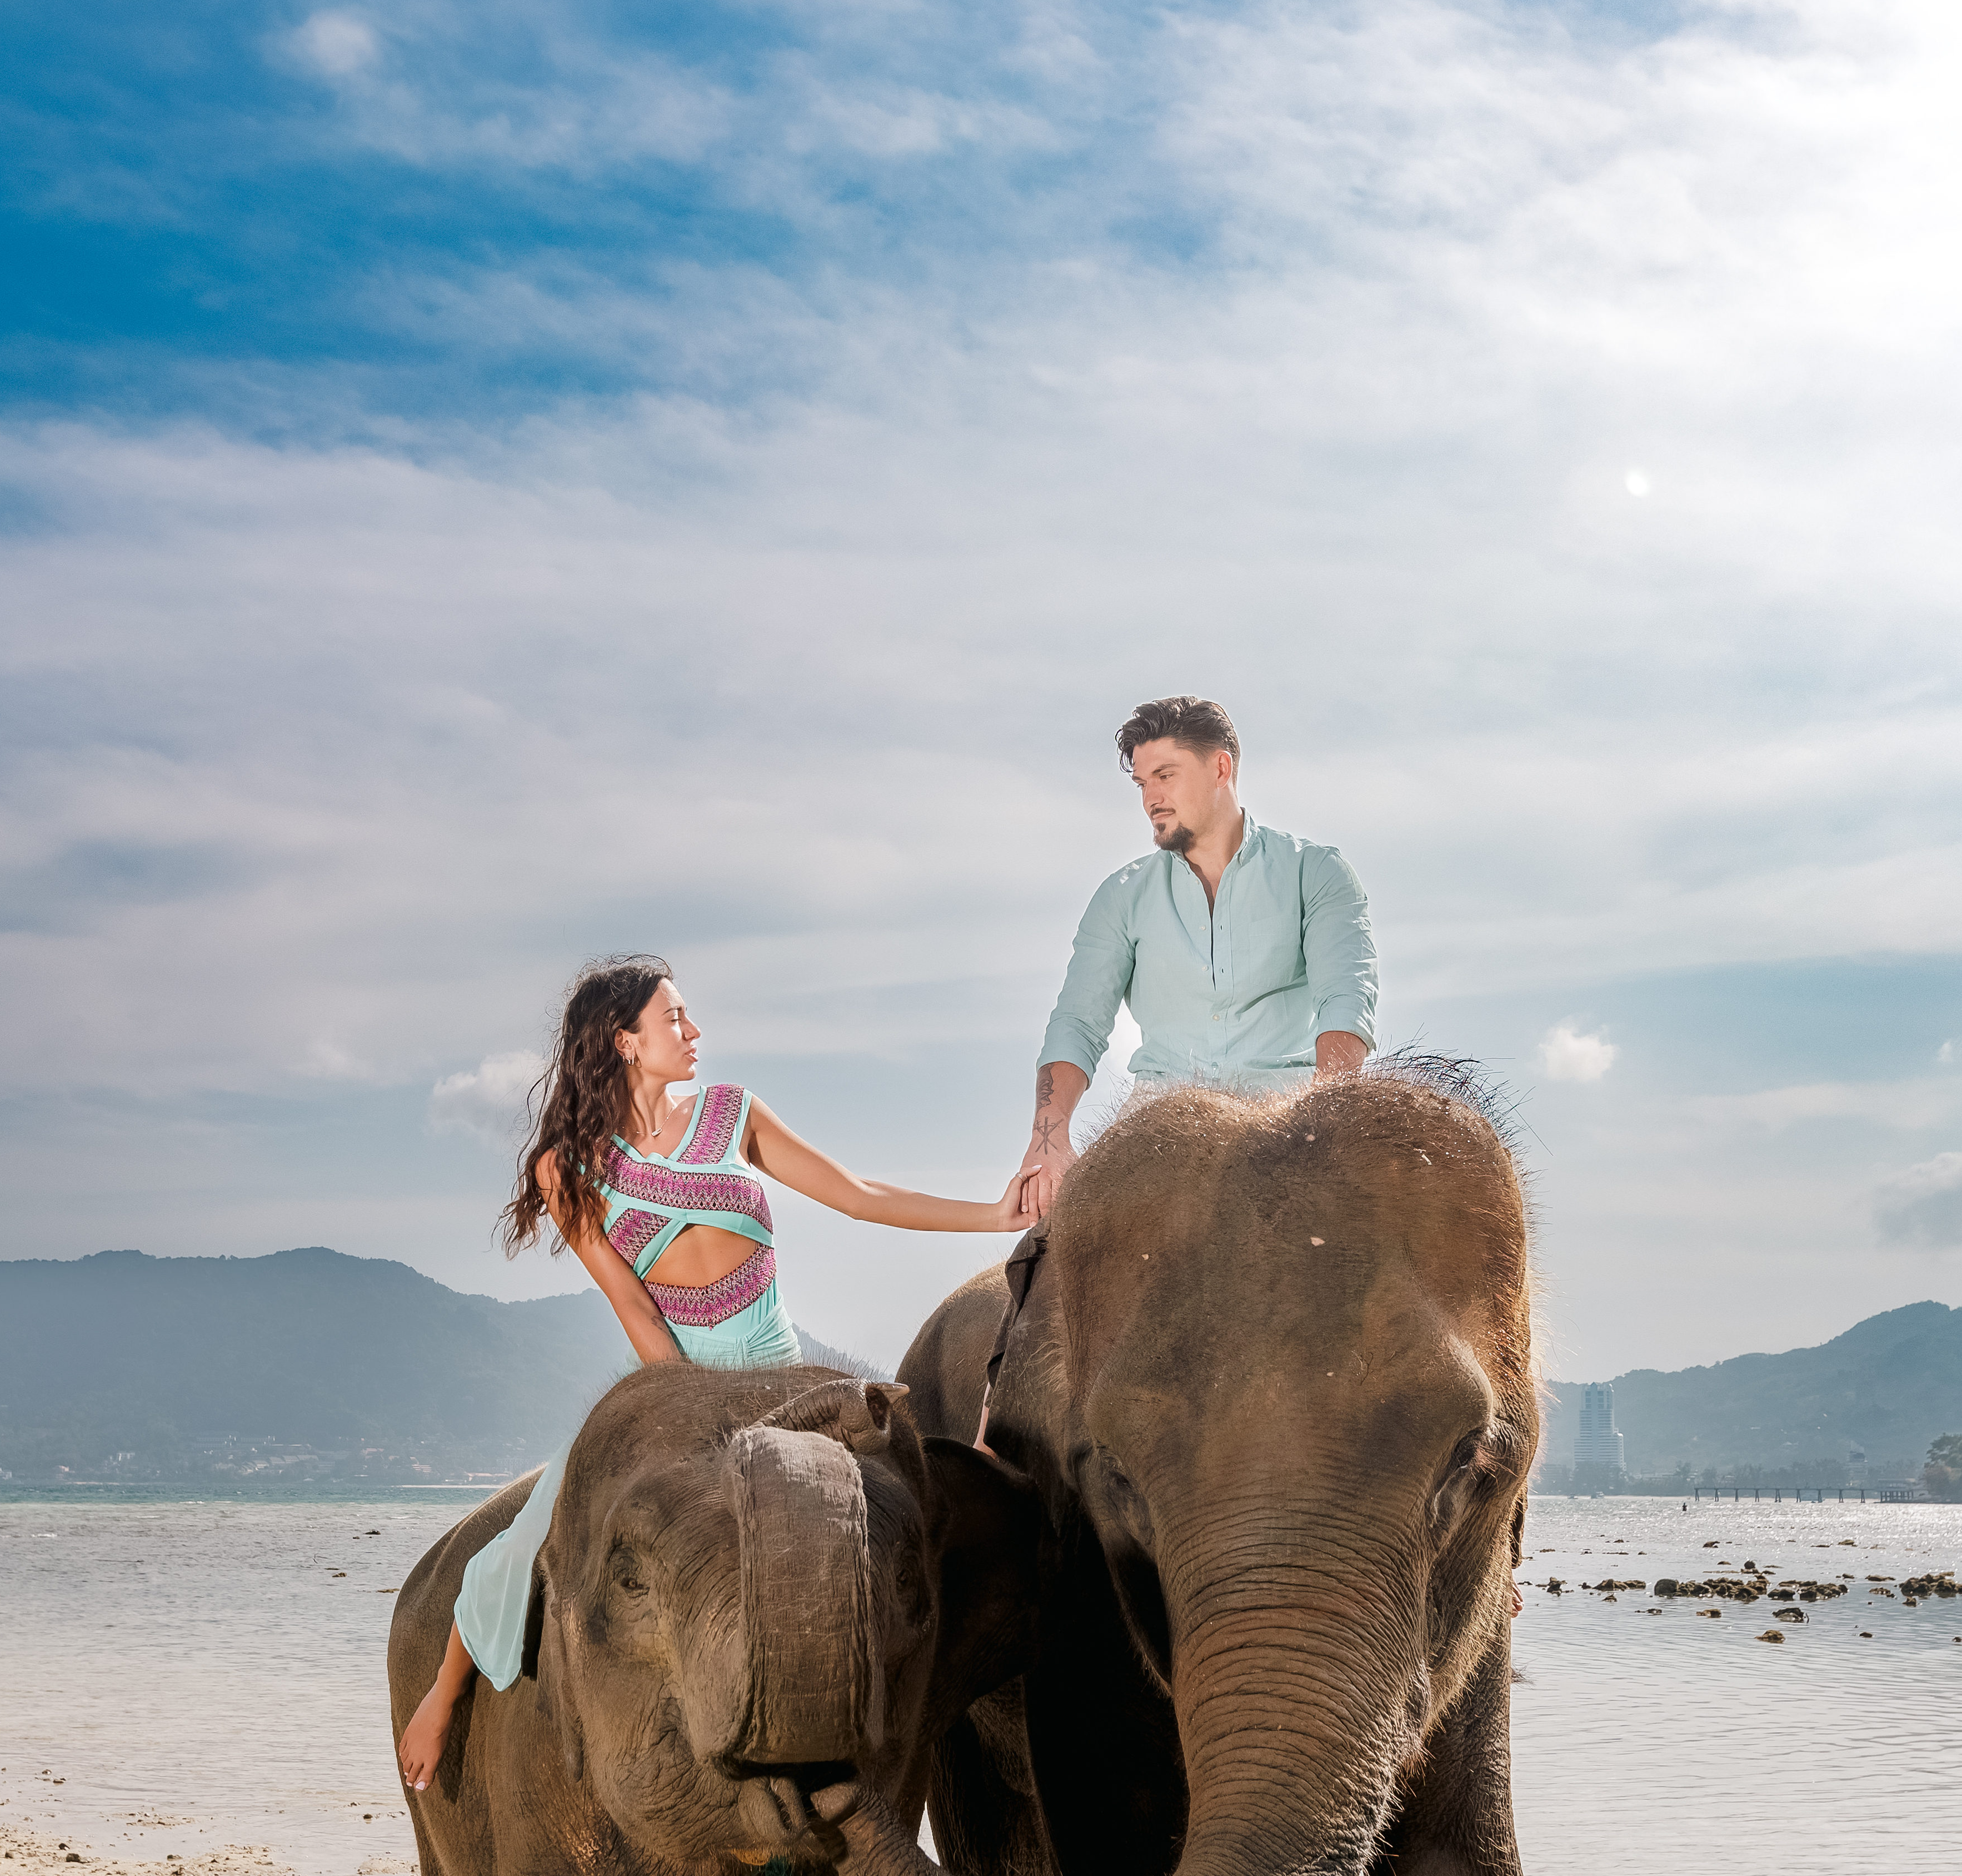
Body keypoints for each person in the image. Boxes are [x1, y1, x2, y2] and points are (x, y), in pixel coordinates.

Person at [398, 953, 1032, 1789]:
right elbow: (632, 1306)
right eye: (675, 1018)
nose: (693, 1033)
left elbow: (856, 1193)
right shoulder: (567, 1168)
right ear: (625, 1040)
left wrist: (994, 1214)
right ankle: (445, 1693)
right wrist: (692, 1412)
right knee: (530, 1535)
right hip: (674, 1384)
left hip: (782, 1373)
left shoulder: (733, 1113)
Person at [978, 694, 1378, 1441]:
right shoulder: (1123, 897)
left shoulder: (1313, 872)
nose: (1149, 796)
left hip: (1287, 1129)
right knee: (1036, 1282)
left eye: (1163, 773)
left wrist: (1326, 1128)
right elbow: (1076, 1023)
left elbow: (1343, 1004)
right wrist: (1050, 1134)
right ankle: (995, 1454)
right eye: (1138, 782)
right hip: (1159, 1132)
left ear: (1221, 768)